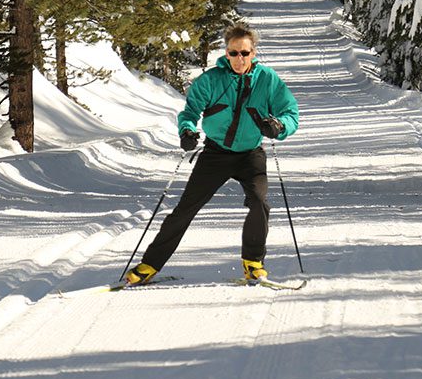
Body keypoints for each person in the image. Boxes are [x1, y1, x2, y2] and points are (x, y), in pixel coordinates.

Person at [125, 21, 299, 285]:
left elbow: (291, 114)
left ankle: (253, 262)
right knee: (185, 209)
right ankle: (150, 264)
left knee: (259, 203)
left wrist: (279, 126)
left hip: (250, 154)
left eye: (244, 53)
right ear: (226, 53)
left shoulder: (268, 80)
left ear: (253, 53)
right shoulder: (210, 80)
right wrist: (187, 131)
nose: (239, 59)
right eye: (233, 53)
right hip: (215, 154)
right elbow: (190, 112)